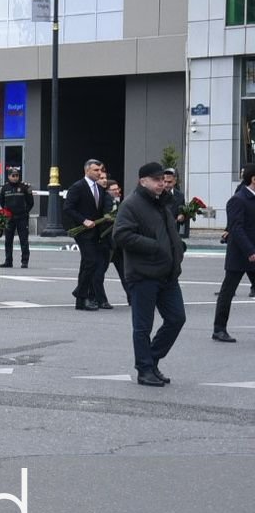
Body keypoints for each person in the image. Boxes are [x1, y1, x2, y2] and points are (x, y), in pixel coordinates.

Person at [112, 162, 187, 387]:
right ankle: (144, 370)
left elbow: (168, 231)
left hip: (167, 274)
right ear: (143, 181)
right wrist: (155, 246)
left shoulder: (162, 203)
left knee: (176, 319)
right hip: (143, 274)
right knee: (143, 326)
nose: (161, 184)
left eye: (163, 180)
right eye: (156, 180)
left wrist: (178, 246)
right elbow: (121, 235)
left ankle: (151, 360)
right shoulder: (132, 204)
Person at [62, 158, 113, 311]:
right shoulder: (78, 187)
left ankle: (81, 298)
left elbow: (102, 208)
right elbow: (68, 208)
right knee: (90, 262)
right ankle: (82, 295)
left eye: (100, 170)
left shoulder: (99, 189)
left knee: (88, 264)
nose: (99, 173)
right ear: (87, 171)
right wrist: (83, 220)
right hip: (83, 232)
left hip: (96, 233)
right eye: (96, 170)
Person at [212, 163, 255, 343]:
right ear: (253, 179)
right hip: (241, 254)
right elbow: (236, 228)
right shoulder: (238, 199)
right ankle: (219, 329)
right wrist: (250, 251)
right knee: (227, 292)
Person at [0, 167, 34, 268]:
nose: (15, 178)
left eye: (17, 175)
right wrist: (7, 213)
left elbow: (30, 202)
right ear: (8, 176)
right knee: (8, 240)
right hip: (9, 218)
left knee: (23, 240)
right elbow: (2, 202)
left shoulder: (24, 187)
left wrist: (24, 212)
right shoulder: (4, 188)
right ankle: (8, 261)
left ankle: (24, 261)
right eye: (13, 176)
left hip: (22, 217)